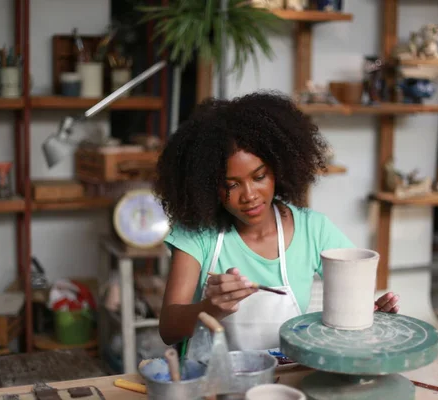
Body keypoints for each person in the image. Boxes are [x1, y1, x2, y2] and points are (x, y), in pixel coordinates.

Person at [153, 91, 400, 355]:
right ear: (206, 186)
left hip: (284, 379)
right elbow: (169, 330)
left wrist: (370, 312)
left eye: (259, 177)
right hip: (209, 384)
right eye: (231, 185)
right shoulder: (198, 235)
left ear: (279, 169)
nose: (249, 195)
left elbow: (351, 302)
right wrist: (211, 308)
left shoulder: (312, 229)